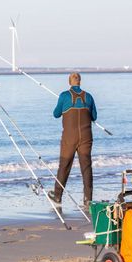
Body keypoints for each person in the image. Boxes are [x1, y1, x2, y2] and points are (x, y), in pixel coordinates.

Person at [48, 72, 97, 208]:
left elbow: (56, 114)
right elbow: (94, 116)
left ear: (69, 82)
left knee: (64, 165)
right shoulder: (89, 97)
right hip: (86, 137)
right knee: (86, 167)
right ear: (80, 81)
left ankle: (57, 196)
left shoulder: (64, 96)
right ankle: (88, 199)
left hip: (70, 137)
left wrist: (63, 105)